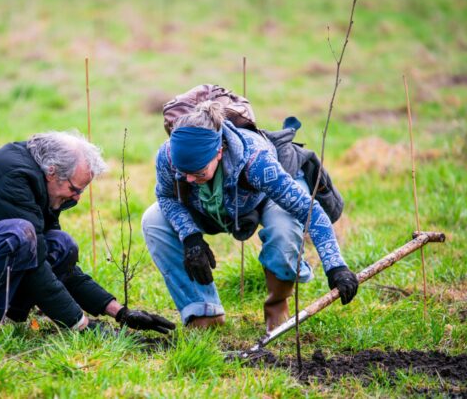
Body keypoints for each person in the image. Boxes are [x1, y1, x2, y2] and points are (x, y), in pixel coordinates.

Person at [0, 131, 175, 339]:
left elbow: (61, 267)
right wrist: (82, 324)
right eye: (74, 189)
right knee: (20, 236)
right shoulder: (15, 180)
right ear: (51, 172)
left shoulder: (39, 185)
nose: (77, 197)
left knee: (61, 245)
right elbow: (35, 265)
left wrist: (118, 312)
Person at [142, 98, 358, 331]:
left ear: (219, 151)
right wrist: (190, 237)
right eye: (184, 174)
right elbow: (166, 197)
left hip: (264, 199)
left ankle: (277, 306)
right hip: (209, 206)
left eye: (198, 172)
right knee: (153, 220)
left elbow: (310, 212)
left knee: (284, 228)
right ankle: (203, 312)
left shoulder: (255, 162)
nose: (190, 179)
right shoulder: (168, 156)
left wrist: (336, 267)